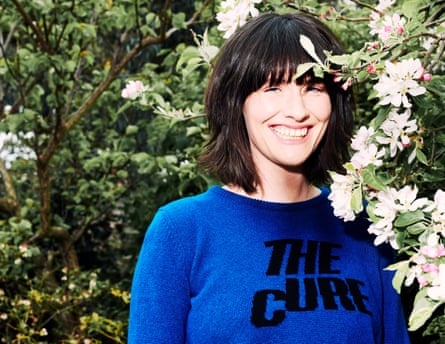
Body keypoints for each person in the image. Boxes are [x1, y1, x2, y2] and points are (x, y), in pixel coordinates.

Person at [128, 12, 410, 343]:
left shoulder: (367, 228)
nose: (297, 110)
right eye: (273, 87)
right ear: (237, 103)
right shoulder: (181, 230)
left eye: (313, 87)